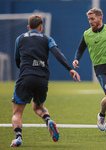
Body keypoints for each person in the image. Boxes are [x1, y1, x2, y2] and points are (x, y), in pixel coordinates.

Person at [10, 15, 81, 147]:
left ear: (28, 27)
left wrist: (25, 67)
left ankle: (18, 137)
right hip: (42, 78)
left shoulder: (19, 38)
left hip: (26, 77)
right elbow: (58, 54)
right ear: (41, 27)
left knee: (17, 112)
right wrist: (70, 69)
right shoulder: (47, 38)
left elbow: (17, 60)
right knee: (38, 107)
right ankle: (48, 120)